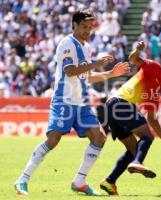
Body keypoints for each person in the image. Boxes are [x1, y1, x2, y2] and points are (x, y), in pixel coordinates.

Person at [14, 8, 130, 196]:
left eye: (90, 27)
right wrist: (96, 63)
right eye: (84, 26)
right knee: (53, 139)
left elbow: (86, 76)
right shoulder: (67, 43)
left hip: (81, 103)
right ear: (74, 25)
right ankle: (22, 180)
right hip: (63, 101)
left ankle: (80, 181)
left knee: (99, 137)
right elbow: (70, 71)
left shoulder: (86, 47)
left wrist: (110, 73)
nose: (87, 30)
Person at [99, 41, 161, 195]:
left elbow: (152, 119)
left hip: (113, 108)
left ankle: (109, 182)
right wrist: (137, 50)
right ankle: (138, 162)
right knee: (146, 136)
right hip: (120, 103)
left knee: (133, 150)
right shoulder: (155, 67)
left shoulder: (156, 92)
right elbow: (133, 59)